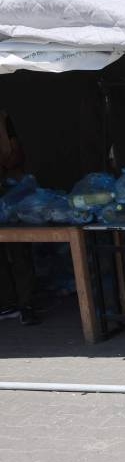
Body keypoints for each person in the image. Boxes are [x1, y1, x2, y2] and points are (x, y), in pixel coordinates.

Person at [0, 110, 39, 326]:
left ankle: (26, 303)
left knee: (19, 246)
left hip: (11, 189)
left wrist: (6, 164)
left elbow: (16, 152)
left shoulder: (4, 118)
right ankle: (7, 303)